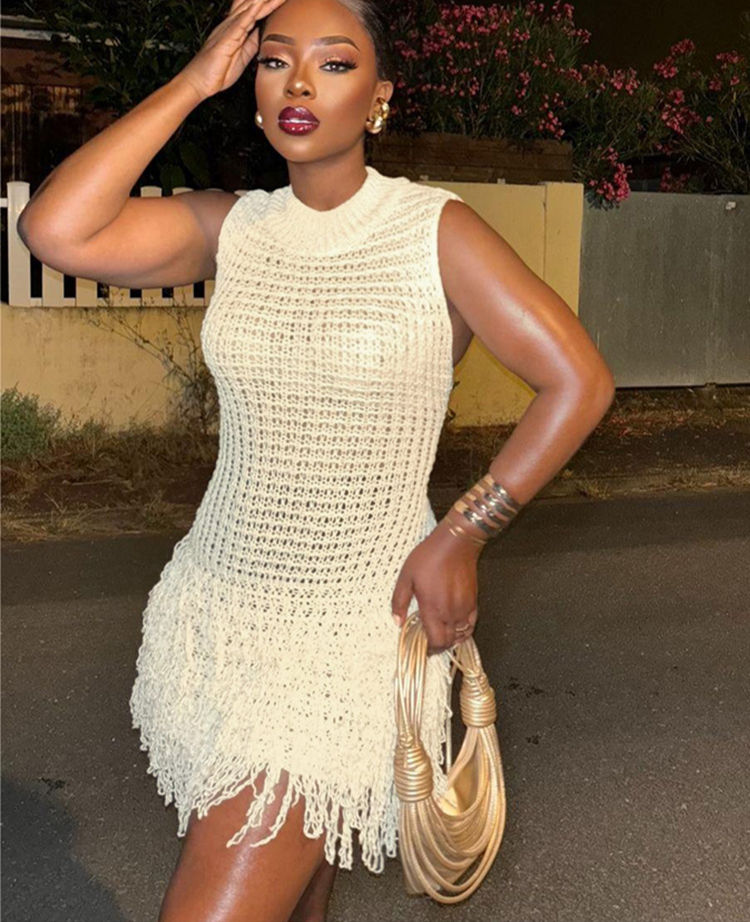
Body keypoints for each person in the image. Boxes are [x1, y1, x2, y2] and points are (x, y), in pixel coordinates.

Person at [17, 0, 616, 918]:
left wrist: (464, 532)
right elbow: (55, 230)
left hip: (348, 627)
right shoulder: (234, 227)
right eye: (274, 61)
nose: (298, 83)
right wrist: (194, 80)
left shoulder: (434, 230)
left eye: (334, 64)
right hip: (220, 607)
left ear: (379, 97)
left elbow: (578, 382)